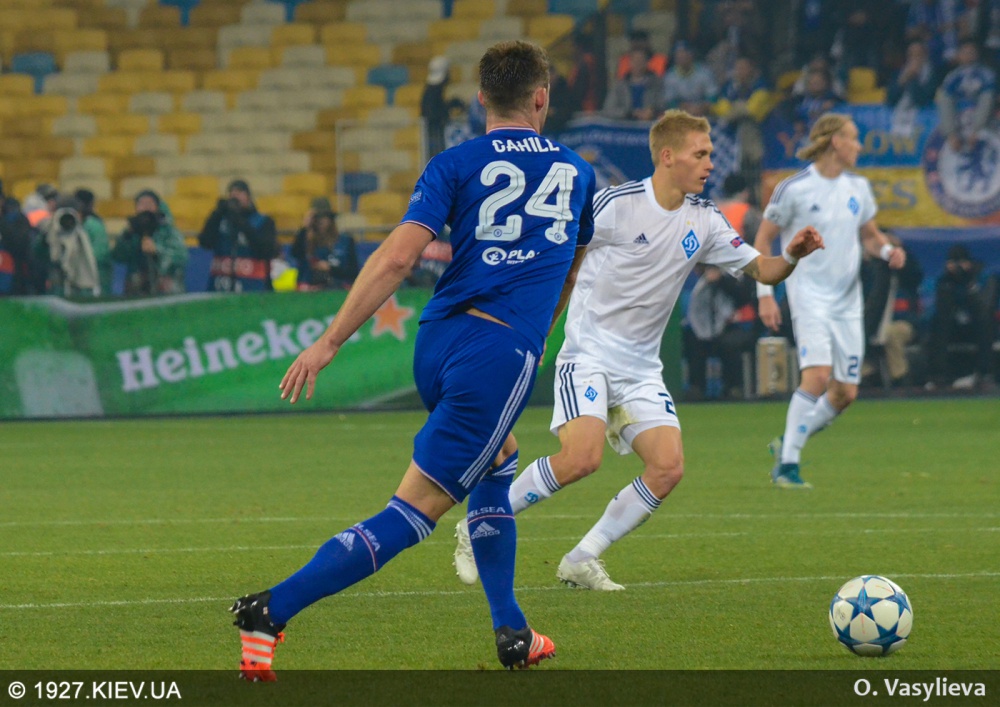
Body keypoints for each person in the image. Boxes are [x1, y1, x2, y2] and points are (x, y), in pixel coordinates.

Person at [230, 40, 597, 678]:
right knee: (413, 511)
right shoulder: (578, 172)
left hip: (438, 340)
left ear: (481, 99)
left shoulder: (452, 163)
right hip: (497, 353)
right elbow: (572, 268)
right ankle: (270, 609)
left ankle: (513, 631)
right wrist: (537, 336)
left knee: (500, 459)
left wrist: (330, 340)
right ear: (542, 98)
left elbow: (399, 258)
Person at [452, 110, 824, 591]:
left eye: (710, 154)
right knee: (581, 459)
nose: (710, 163)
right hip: (588, 356)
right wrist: (540, 330)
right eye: (700, 154)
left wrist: (792, 254)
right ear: (668, 156)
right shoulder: (615, 205)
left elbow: (764, 270)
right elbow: (564, 263)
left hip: (641, 369)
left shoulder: (705, 220)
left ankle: (582, 558)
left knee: (668, 467)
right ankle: (476, 524)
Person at [756, 113, 907, 489]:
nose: (859, 146)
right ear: (835, 142)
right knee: (817, 376)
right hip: (809, 296)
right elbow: (763, 239)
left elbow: (869, 236)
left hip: (847, 301)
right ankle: (787, 466)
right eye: (853, 138)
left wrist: (887, 250)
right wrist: (765, 294)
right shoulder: (794, 188)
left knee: (844, 393)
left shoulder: (858, 187)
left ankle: (788, 442)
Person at [926, 243, 997, 390]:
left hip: (976, 325)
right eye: (953, 263)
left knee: (985, 324)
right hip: (953, 326)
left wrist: (969, 284)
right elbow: (941, 309)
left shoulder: (981, 278)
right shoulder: (944, 281)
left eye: (961, 262)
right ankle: (938, 375)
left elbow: (984, 308)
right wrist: (949, 284)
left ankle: (985, 373)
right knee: (939, 324)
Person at [198, 179, 277, 293]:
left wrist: (241, 222)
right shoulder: (221, 221)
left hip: (252, 288)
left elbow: (266, 251)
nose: (235, 197)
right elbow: (205, 242)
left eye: (239, 193)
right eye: (232, 193)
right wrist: (216, 214)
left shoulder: (263, 222)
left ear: (248, 197)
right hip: (219, 286)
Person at [111, 190, 187, 296]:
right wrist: (126, 237)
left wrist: (157, 250)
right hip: (137, 284)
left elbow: (181, 256)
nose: (145, 207)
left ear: (157, 207)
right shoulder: (132, 231)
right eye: (141, 204)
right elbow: (118, 256)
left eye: (149, 204)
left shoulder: (168, 231)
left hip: (164, 283)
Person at [934, 40, 996, 154]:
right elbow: (945, 103)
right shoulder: (952, 77)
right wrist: (951, 133)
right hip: (958, 124)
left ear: (976, 54)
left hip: (984, 125)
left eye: (971, 52)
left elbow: (987, 102)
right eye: (964, 52)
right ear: (959, 55)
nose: (968, 56)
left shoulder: (986, 75)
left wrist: (977, 129)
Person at [291, 197, 358, 290]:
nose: (320, 220)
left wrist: (330, 268)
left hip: (338, 289)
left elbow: (353, 272)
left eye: (324, 216)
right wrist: (304, 227)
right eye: (317, 217)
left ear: (330, 219)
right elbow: (295, 254)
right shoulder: (305, 241)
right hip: (310, 291)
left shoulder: (346, 242)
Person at [602, 46, 665, 121]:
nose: (637, 64)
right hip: (625, 126)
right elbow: (608, 110)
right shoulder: (620, 86)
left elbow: (663, 105)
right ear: (630, 62)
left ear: (647, 62)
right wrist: (630, 113)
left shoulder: (657, 84)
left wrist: (652, 112)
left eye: (641, 60)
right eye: (634, 60)